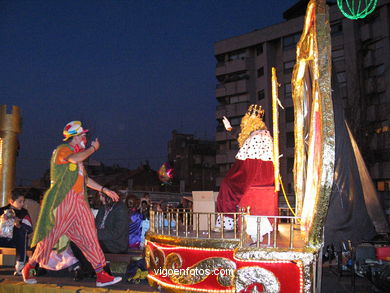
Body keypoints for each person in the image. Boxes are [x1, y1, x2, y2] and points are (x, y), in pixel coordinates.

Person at [22, 121, 122, 287]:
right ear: (75, 137)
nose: (85, 138)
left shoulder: (78, 158)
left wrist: (104, 190)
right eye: (83, 135)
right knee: (49, 239)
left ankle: (101, 274)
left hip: (79, 202)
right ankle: (29, 266)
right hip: (63, 201)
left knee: (90, 236)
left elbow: (85, 179)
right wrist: (93, 148)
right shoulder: (63, 150)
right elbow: (73, 159)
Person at [215, 105, 274, 231]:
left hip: (254, 176)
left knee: (227, 186)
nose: (244, 122)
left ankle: (228, 222)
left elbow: (248, 164)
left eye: (246, 119)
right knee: (227, 183)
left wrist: (233, 177)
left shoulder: (258, 136)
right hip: (259, 175)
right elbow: (242, 137)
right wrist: (230, 129)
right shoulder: (259, 134)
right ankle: (229, 222)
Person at [0, 190, 33, 275]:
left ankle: (20, 266)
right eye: (20, 202)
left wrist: (19, 224)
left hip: (16, 240)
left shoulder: (24, 212)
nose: (22, 204)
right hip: (2, 238)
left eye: (23, 201)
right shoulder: (2, 210)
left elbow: (29, 229)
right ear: (11, 201)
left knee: (22, 233)